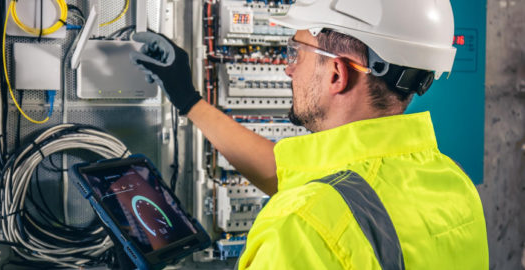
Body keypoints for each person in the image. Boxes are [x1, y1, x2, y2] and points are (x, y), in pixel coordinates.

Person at [129, 0, 488, 268]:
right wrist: (189, 100)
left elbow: (317, 206)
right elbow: (285, 174)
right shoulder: (454, 183)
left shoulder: (301, 225)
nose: (288, 69)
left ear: (337, 74)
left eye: (295, 53)